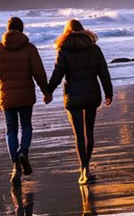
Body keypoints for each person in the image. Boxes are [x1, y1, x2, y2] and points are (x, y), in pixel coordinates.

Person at [47, 19, 113, 185]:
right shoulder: (94, 48)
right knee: (88, 132)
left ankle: (83, 168)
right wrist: (108, 92)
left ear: (66, 32)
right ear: (83, 30)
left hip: (73, 95)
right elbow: (103, 72)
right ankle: (87, 167)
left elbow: (58, 74)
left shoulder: (64, 50)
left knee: (78, 134)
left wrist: (48, 90)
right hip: (92, 94)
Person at [0, 16, 51, 185]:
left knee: (11, 130)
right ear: (22, 29)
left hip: (7, 98)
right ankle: (23, 151)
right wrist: (46, 91)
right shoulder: (29, 48)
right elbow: (39, 72)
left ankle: (16, 166)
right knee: (26, 125)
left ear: (7, 29)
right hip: (25, 96)